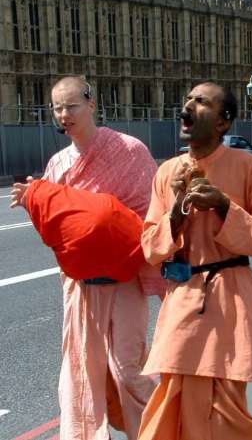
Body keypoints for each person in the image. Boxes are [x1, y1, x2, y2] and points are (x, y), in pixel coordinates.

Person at [138, 82, 252, 440]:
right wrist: (177, 209)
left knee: (223, 415)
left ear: (223, 122)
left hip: (231, 298)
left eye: (201, 102)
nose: (188, 106)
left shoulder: (248, 167)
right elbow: (150, 248)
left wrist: (223, 206)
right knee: (171, 400)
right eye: (188, 98)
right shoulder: (167, 172)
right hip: (182, 299)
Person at [10, 76, 159, 440]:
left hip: (124, 279)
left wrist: (107, 223)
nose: (64, 114)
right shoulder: (58, 164)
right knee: (80, 373)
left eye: (71, 105)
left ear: (92, 104)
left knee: (129, 370)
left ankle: (159, 431)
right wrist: (34, 201)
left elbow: (153, 213)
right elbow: (60, 228)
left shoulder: (130, 150)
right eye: (57, 108)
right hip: (81, 284)